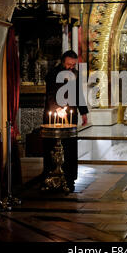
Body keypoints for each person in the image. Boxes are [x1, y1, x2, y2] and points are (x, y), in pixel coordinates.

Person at [42, 50, 88, 191]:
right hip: (54, 115)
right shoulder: (53, 73)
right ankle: (51, 176)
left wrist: (84, 112)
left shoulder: (75, 74)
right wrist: (57, 108)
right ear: (63, 61)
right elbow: (50, 93)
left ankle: (69, 177)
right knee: (53, 146)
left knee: (70, 146)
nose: (70, 67)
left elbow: (79, 93)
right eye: (68, 64)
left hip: (70, 115)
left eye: (73, 65)